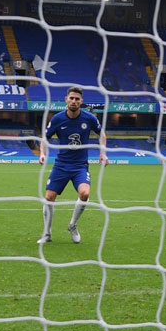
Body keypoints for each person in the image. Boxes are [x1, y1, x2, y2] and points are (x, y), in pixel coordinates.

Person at [36, 86, 108, 245]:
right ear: (66, 100)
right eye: (71, 98)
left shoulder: (89, 118)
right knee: (49, 198)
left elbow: (101, 135)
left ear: (81, 101)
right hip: (61, 165)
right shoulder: (57, 119)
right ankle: (47, 234)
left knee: (84, 194)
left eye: (77, 99)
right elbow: (44, 138)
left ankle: (72, 225)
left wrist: (102, 153)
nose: (74, 101)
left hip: (80, 165)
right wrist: (42, 153)